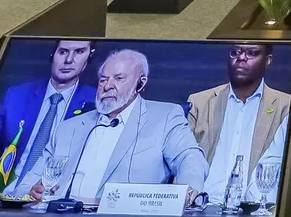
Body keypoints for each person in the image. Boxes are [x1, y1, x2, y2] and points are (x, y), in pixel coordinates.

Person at [18, 49, 208, 207]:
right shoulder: (68, 128)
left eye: (118, 78)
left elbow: (190, 158)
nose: (108, 86)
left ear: (140, 84)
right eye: (103, 80)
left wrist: (186, 195)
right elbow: (26, 184)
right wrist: (31, 191)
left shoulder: (164, 117)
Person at [0, 40, 97, 198]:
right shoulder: (16, 95)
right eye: (63, 52)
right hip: (0, 193)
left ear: (89, 58)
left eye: (79, 52)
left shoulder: (96, 102)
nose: (69, 60)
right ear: (53, 55)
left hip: (50, 199)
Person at [187, 44, 291, 202]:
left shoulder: (286, 106)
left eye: (252, 53)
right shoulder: (200, 102)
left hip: (253, 209)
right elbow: (184, 158)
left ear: (267, 60)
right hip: (201, 205)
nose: (241, 58)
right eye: (235, 52)